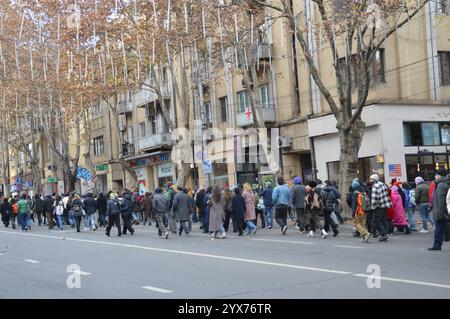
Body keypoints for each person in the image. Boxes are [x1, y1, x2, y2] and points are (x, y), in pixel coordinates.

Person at [428, 170, 450, 251]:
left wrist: (440, 213)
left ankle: (437, 245)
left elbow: (441, 201)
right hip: (445, 211)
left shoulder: (441, 185)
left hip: (441, 212)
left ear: (440, 176)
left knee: (438, 229)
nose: (435, 177)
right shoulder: (444, 184)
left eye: (436, 175)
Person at [370, 174, 391, 242]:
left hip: (379, 206)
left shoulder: (375, 186)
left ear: (374, 180)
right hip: (385, 205)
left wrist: (372, 207)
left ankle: (383, 234)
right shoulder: (382, 184)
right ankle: (385, 234)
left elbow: (374, 198)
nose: (370, 180)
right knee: (384, 220)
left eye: (371, 179)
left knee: (376, 221)